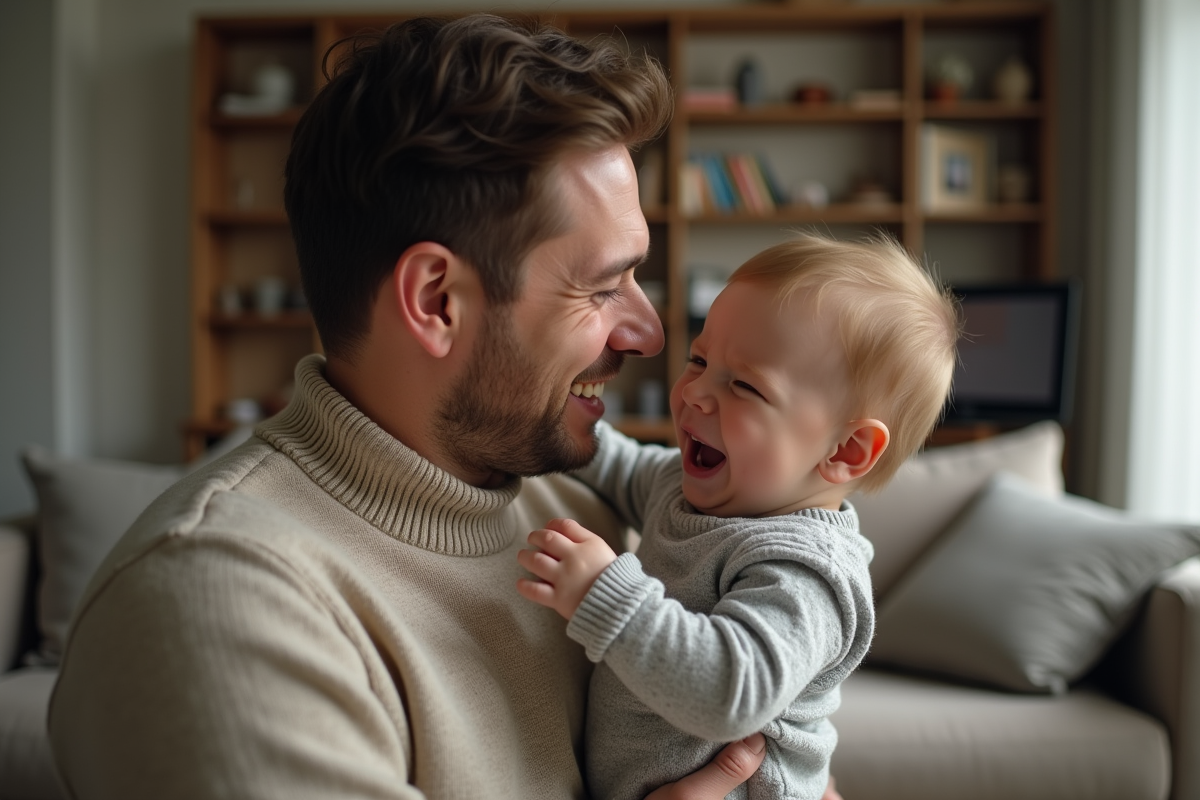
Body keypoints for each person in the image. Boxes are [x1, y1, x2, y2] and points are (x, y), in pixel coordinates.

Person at [47, 15, 768, 799]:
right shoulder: (218, 608)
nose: (649, 332)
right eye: (601, 287)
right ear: (436, 301)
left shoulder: (584, 506)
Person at [517, 232, 960, 799]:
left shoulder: (808, 571)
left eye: (745, 385)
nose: (695, 392)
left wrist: (605, 594)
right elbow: (617, 463)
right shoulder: (683, 486)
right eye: (699, 359)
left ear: (846, 450)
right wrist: (551, 416)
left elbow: (731, 692)